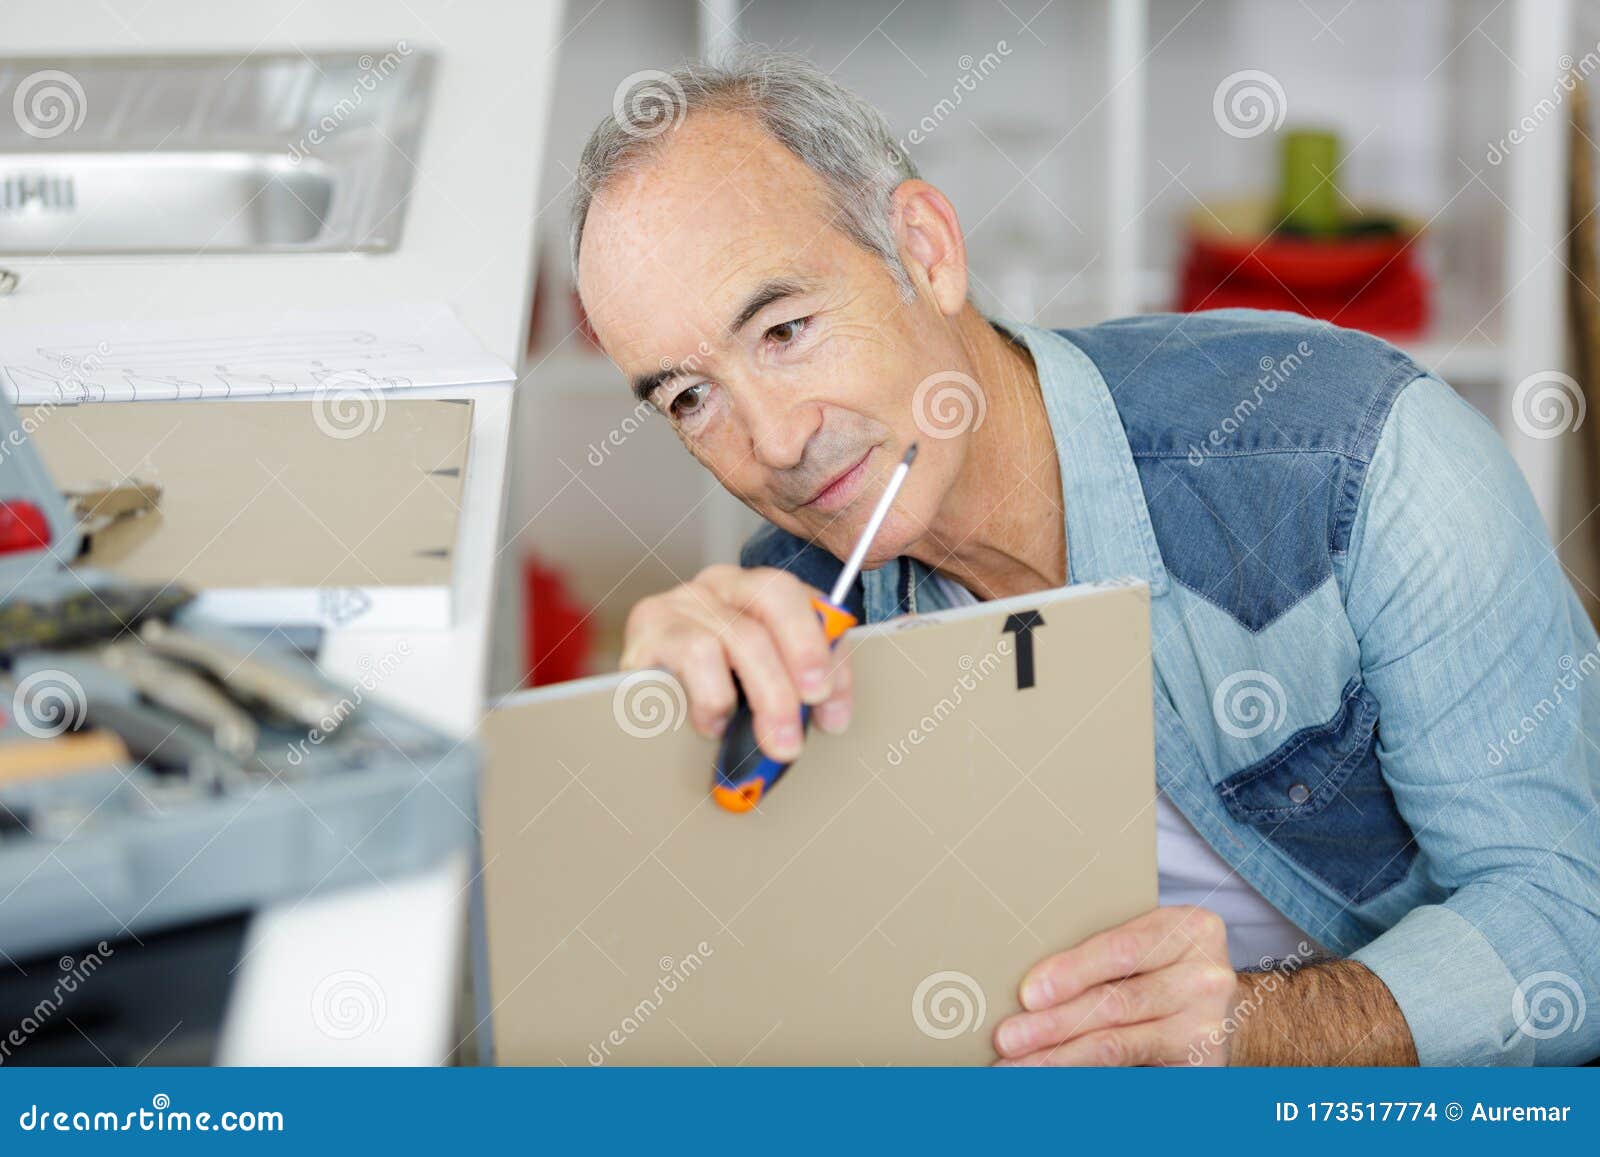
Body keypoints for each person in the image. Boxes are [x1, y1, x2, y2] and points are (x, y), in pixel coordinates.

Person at [568, 49, 1600, 1065]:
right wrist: (654, 758)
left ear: (925, 250)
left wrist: (1257, 1031)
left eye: (786, 330)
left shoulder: (1356, 455)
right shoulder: (791, 623)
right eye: (689, 398)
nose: (775, 440)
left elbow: (1572, 924)